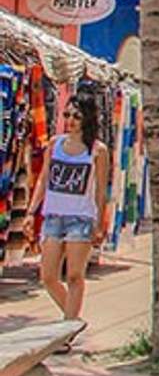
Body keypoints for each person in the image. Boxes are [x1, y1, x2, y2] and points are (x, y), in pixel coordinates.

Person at [27, 92, 109, 341]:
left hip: (81, 218)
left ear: (87, 118)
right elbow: (44, 179)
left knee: (74, 275)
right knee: (48, 276)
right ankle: (73, 321)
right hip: (54, 215)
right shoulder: (55, 144)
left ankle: (66, 332)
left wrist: (99, 222)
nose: (70, 120)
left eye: (76, 116)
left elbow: (100, 188)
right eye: (67, 115)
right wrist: (32, 211)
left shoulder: (97, 150)